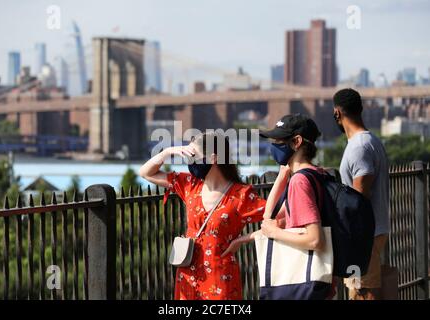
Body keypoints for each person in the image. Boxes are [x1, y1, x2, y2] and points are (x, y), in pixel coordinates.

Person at [139, 131, 266, 300]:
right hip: (187, 274)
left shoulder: (241, 195)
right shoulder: (189, 185)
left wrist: (244, 239)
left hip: (220, 276)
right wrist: (166, 152)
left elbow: (284, 215)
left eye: (192, 156)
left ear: (213, 158)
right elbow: (146, 173)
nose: (189, 161)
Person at [227, 113, 336, 299]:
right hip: (317, 282)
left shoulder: (300, 182)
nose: (274, 146)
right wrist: (282, 175)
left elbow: (315, 240)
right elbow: (271, 218)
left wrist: (274, 233)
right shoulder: (317, 174)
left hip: (302, 285)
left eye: (278, 141)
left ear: (296, 142)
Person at [333, 88, 390, 300]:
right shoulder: (369, 141)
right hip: (368, 233)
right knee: (361, 289)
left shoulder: (359, 147)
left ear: (337, 113)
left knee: (362, 292)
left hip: (362, 236)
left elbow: (359, 198)